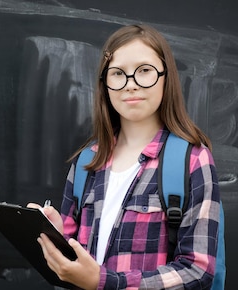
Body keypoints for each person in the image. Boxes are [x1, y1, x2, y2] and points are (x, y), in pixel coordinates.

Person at [28, 24, 222, 290]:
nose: (130, 84)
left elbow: (197, 270)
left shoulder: (193, 160)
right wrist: (58, 237)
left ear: (166, 77)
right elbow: (73, 267)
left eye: (144, 71)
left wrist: (105, 282)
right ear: (105, 83)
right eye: (118, 74)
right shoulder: (87, 162)